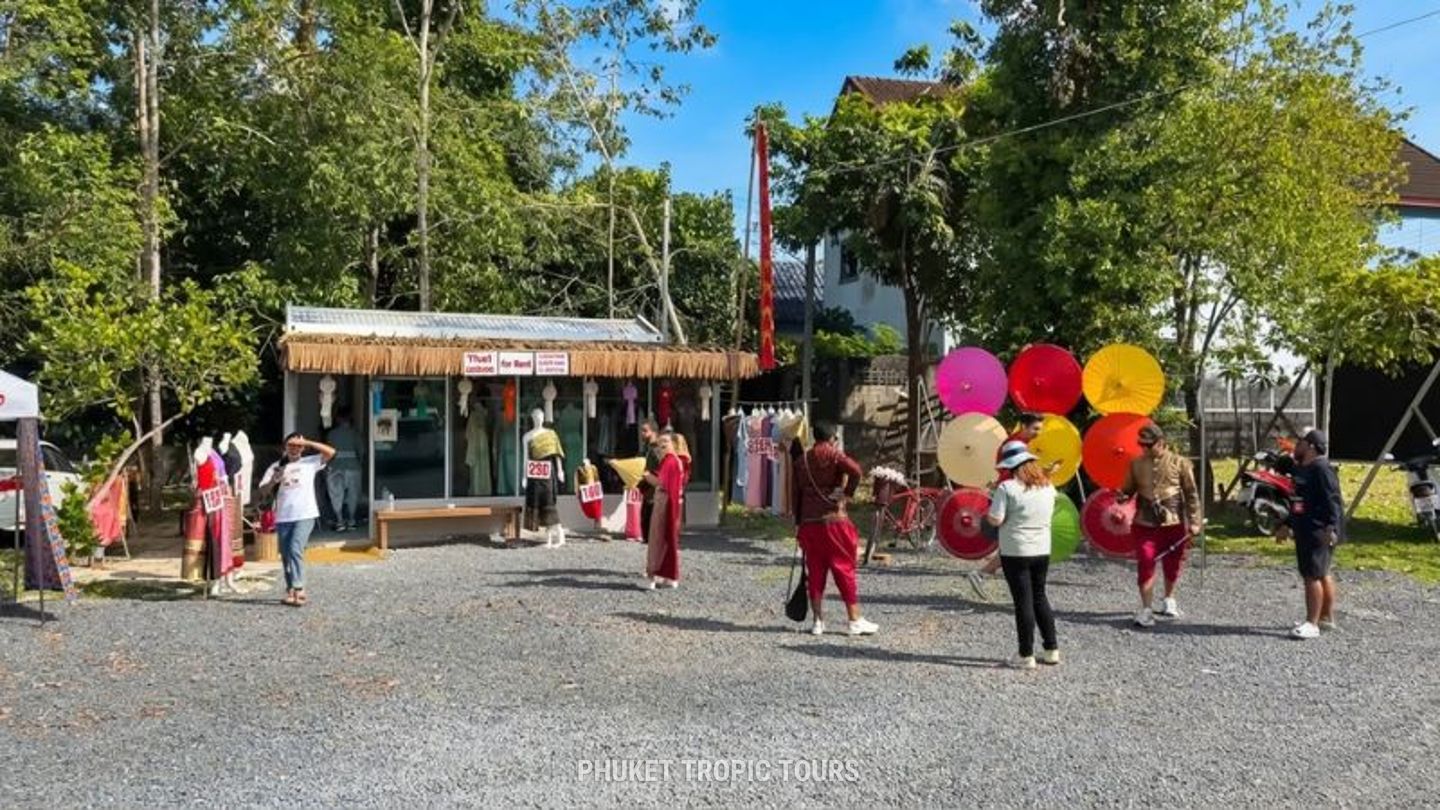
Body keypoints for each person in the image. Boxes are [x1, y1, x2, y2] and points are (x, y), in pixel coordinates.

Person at [793, 422, 878, 637]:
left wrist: (798, 522)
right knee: (843, 569)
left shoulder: (802, 459)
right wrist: (847, 492)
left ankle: (818, 622)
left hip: (809, 522)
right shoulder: (835, 455)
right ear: (832, 438)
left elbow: (797, 494)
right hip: (834, 521)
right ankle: (854, 619)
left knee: (815, 572)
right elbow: (857, 471)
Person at [986, 440, 1061, 669]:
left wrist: (990, 512)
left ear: (1012, 467)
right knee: (1040, 596)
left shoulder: (1007, 488)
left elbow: (996, 519)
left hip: (1015, 550)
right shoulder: (1048, 486)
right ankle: (1051, 649)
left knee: (1023, 602)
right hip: (1042, 549)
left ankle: (1025, 654)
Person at [1119, 423, 1201, 628]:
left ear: (1161, 442)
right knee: (1146, 560)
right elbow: (1128, 490)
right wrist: (1122, 497)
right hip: (1144, 522)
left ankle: (1169, 599)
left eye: (1148, 444)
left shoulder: (1180, 463)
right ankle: (1146, 609)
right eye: (1141, 445)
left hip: (1173, 521)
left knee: (1173, 562)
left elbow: (1191, 494)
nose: (1144, 449)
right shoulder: (1136, 464)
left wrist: (1195, 521)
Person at [967, 412, 1046, 600]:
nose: (1038, 433)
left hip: (1011, 496)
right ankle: (981, 574)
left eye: (1039, 429)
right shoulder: (1014, 446)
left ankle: (985, 574)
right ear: (1024, 426)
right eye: (1035, 429)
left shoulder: (1018, 443)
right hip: (1011, 498)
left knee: (1014, 545)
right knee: (1015, 545)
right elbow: (1012, 474)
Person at [1274, 429, 1342, 639]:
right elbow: (1297, 501)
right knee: (1321, 572)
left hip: (1318, 530)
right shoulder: (1304, 469)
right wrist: (1287, 524)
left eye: (1301, 442)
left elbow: (1334, 501)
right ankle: (1325, 618)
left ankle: (1312, 624)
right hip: (1304, 527)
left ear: (1311, 446)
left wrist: (1332, 528)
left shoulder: (1322, 469)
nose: (1297, 446)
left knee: (1311, 575)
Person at [258, 432, 336, 607]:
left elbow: (331, 452)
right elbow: (263, 491)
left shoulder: (310, 462)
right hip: (283, 515)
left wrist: (307, 441)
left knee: (295, 548)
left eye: (298, 446)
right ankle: (290, 589)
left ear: (303, 448)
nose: (294, 449)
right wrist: (273, 480)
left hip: (305, 514)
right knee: (286, 554)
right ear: (284, 447)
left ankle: (299, 588)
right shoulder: (276, 466)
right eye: (291, 445)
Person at [642, 433, 685, 589]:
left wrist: (646, 476)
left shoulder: (670, 461)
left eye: (665, 442)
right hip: (673, 502)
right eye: (660, 444)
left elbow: (661, 483)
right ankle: (668, 576)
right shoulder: (676, 461)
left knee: (657, 537)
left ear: (673, 443)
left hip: (664, 501)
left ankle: (653, 576)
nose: (662, 446)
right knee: (669, 538)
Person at [325, 413, 363, 532]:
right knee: (353, 495)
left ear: (338, 419)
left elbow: (327, 451)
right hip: (353, 466)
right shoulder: (355, 433)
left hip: (334, 466)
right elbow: (361, 451)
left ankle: (339, 521)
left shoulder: (331, 434)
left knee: (336, 494)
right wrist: (358, 462)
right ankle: (351, 521)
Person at [638, 418, 662, 544]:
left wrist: (650, 477)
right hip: (649, 490)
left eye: (645, 431)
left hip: (654, 490)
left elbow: (661, 469)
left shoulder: (657, 449)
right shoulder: (649, 448)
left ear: (653, 432)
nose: (642, 433)